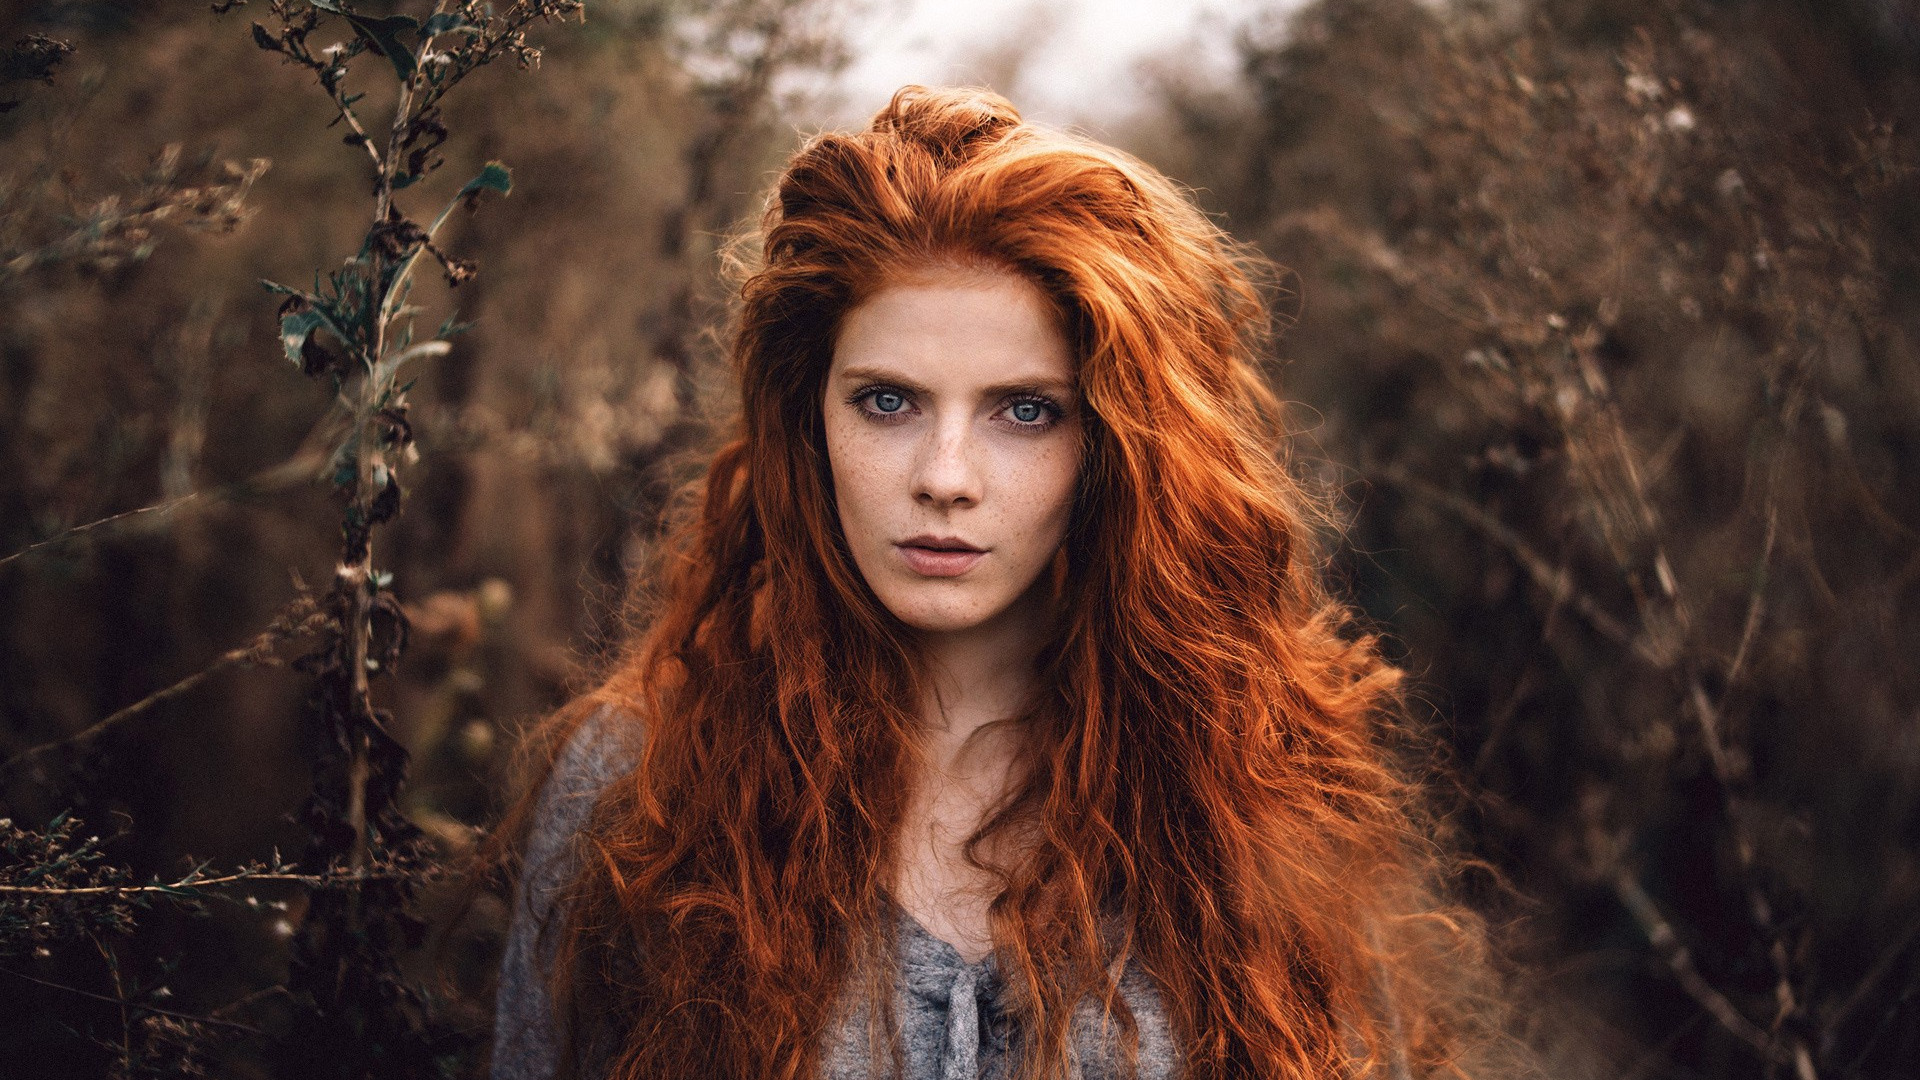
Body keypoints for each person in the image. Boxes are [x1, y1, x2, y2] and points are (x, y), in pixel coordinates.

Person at [493, 86, 1517, 1080]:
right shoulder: (645, 787)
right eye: (887, 402)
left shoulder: (1256, 780)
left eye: (1023, 411)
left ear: (1115, 445)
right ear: (812, 422)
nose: (945, 477)